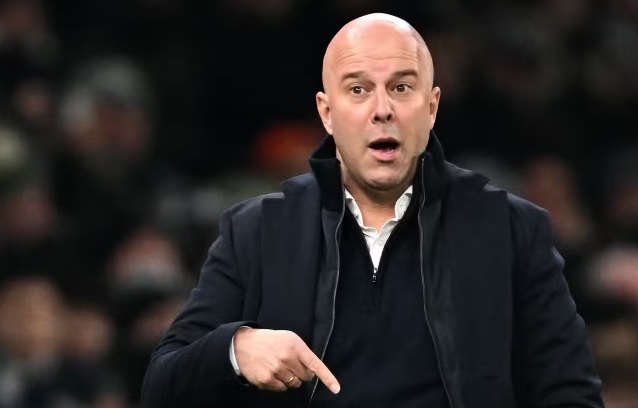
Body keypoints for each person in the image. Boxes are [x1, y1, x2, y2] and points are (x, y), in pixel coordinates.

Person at [140, 13, 603, 407]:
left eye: (401, 87)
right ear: (327, 112)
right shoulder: (258, 231)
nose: (382, 109)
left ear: (431, 107)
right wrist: (236, 349)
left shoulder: (510, 229)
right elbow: (161, 386)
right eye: (358, 90)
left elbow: (572, 396)